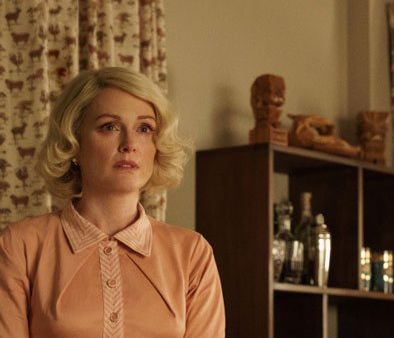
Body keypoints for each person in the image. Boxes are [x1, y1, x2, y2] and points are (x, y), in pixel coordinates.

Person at [0, 67, 226, 337]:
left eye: (144, 128)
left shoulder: (192, 254)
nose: (129, 144)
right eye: (110, 126)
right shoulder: (21, 245)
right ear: (74, 142)